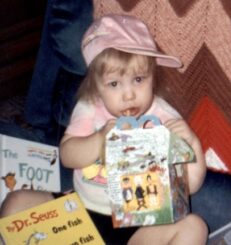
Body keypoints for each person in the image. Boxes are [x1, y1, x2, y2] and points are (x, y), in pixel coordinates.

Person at [0, 14, 207, 244]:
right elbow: (68, 156)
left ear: (153, 76)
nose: (129, 94)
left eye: (139, 79)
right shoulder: (90, 107)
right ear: (96, 86)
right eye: (114, 84)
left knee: (194, 228)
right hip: (80, 213)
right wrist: (98, 140)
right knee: (15, 203)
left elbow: (192, 184)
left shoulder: (164, 118)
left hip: (139, 227)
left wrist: (192, 144)